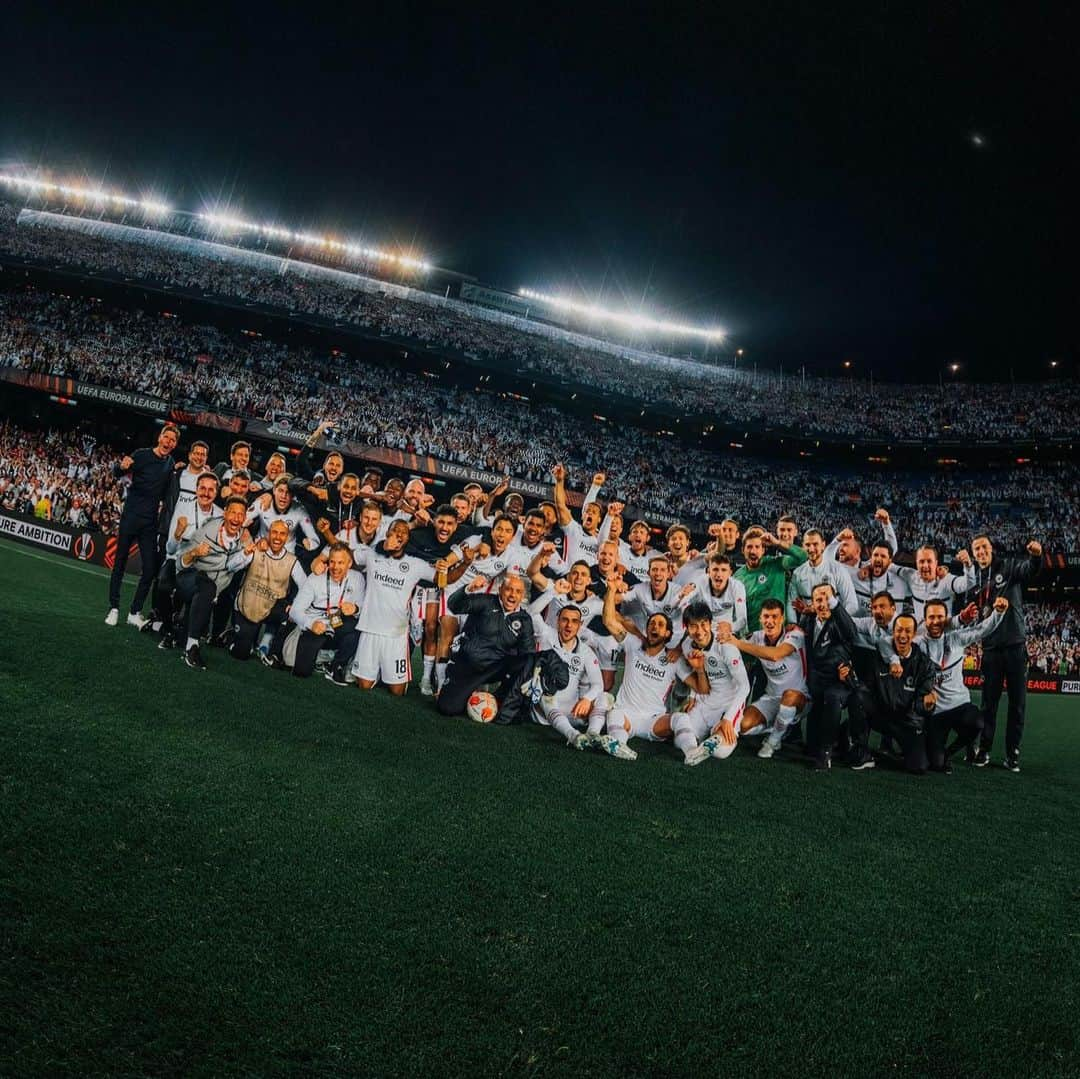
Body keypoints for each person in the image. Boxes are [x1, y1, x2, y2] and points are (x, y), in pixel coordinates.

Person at [968, 535, 1042, 771]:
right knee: (988, 704)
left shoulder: (1008, 567)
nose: (981, 552)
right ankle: (985, 750)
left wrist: (1036, 556)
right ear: (973, 553)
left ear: (991, 549)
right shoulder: (974, 579)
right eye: (977, 549)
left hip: (1015, 647)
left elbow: (1029, 570)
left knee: (1017, 704)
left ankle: (1013, 754)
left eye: (984, 547)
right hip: (990, 650)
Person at [592, 578, 682, 761]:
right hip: (626, 714)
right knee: (614, 714)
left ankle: (692, 752)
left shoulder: (674, 658)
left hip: (654, 720)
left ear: (668, 634)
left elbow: (700, 686)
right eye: (651, 624)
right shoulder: (633, 644)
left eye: (660, 625)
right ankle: (619, 746)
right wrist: (611, 590)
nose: (654, 627)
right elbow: (609, 621)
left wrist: (694, 698)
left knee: (681, 719)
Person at [915, 597, 1007, 773]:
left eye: (940, 617)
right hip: (935, 712)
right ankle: (940, 754)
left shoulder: (956, 638)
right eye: (931, 617)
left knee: (978, 723)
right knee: (935, 764)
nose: (936, 621)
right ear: (924, 620)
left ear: (946, 619)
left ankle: (952, 752)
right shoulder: (918, 645)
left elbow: (982, 629)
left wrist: (998, 613)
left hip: (960, 705)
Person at [350, 519, 439, 695]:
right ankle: (373, 670)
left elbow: (442, 579)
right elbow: (348, 556)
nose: (399, 533)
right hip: (370, 629)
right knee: (364, 687)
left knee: (397, 692)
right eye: (395, 530)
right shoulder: (372, 554)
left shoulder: (416, 563)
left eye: (403, 532)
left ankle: (386, 670)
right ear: (387, 533)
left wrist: (464, 563)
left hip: (396, 634)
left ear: (408, 538)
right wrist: (327, 533)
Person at [105, 423, 180, 628]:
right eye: (167, 437)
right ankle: (114, 608)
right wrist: (121, 466)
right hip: (130, 517)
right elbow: (117, 474)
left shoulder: (170, 463)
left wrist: (179, 470)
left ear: (175, 444)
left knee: (149, 569)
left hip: (149, 524)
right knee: (119, 563)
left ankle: (134, 612)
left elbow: (170, 490)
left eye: (173, 440)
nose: (168, 442)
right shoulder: (141, 455)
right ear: (160, 438)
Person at [845, 614, 938, 775]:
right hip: (881, 715)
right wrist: (849, 678)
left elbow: (920, 705)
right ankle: (860, 750)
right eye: (899, 630)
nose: (902, 635)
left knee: (919, 766)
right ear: (893, 632)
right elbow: (865, 688)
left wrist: (927, 705)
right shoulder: (879, 657)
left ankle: (893, 752)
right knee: (858, 697)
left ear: (915, 634)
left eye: (908, 631)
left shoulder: (925, 665)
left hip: (906, 721)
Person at [720, 598, 810, 759]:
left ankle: (773, 741)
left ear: (782, 619)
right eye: (766, 617)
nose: (770, 621)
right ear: (760, 619)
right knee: (743, 725)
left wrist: (738, 644)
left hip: (799, 697)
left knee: (789, 696)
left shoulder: (794, 634)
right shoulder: (756, 636)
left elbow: (775, 655)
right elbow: (731, 644)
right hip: (771, 698)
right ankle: (780, 727)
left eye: (775, 617)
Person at [436, 573, 537, 716]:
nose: (512, 595)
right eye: (508, 589)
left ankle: (501, 699)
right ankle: (464, 691)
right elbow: (453, 605)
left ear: (523, 596)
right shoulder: (486, 602)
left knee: (528, 662)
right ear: (500, 589)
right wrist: (468, 589)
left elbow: (529, 654)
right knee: (447, 708)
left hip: (494, 669)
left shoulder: (524, 620)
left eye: (518, 592)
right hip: (468, 665)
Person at [174, 496, 253, 670]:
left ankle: (180, 630)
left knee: (180, 637)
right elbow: (180, 562)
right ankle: (192, 647)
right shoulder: (207, 530)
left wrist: (246, 553)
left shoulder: (245, 540)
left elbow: (232, 567)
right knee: (207, 586)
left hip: (209, 592)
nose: (236, 518)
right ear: (225, 513)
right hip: (188, 579)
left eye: (241, 514)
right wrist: (195, 552)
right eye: (233, 512)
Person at [672, 602, 751, 766]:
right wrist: (693, 696)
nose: (699, 632)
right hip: (706, 700)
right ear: (686, 627)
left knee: (721, 752)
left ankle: (716, 734)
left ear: (710, 623)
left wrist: (729, 718)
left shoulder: (725, 645)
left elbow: (745, 686)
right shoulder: (687, 645)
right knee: (679, 739)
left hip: (729, 703)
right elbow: (696, 670)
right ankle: (695, 750)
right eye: (693, 626)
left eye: (703, 625)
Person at [798, 581, 861, 771]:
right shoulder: (808, 620)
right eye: (818, 599)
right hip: (817, 680)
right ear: (813, 603)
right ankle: (837, 738)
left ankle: (826, 753)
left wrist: (833, 604)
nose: (823, 603)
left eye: (827, 598)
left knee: (831, 698)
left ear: (834, 601)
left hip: (839, 681)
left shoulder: (840, 621)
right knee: (810, 746)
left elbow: (852, 633)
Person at [158, 470, 222, 649]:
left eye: (211, 490)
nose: (206, 493)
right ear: (196, 489)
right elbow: (170, 549)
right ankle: (169, 627)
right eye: (202, 488)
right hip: (178, 562)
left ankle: (182, 629)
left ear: (216, 493)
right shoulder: (182, 511)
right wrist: (178, 534)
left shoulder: (220, 515)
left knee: (183, 638)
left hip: (201, 569)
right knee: (162, 585)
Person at [531, 604, 607, 749]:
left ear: (580, 625)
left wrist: (586, 699)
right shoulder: (545, 636)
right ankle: (574, 736)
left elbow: (598, 684)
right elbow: (532, 612)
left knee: (605, 697)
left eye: (574, 621)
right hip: (545, 712)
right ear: (557, 621)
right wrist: (552, 590)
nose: (569, 626)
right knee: (546, 695)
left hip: (572, 712)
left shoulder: (586, 652)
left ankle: (592, 734)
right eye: (564, 620)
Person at [231, 519, 307, 661]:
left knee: (292, 613)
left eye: (282, 534)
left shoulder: (292, 560)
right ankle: (237, 636)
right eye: (274, 533)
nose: (278, 537)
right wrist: (245, 553)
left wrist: (296, 605)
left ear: (288, 537)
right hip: (249, 604)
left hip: (272, 606)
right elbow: (230, 567)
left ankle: (269, 647)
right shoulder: (256, 549)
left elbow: (306, 587)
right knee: (241, 654)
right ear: (268, 534)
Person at [286, 543, 363, 682]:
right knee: (301, 671)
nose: (335, 567)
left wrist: (355, 609)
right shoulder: (315, 578)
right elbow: (295, 610)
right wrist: (311, 624)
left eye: (341, 563)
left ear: (349, 563)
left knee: (356, 628)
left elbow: (362, 608)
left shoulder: (357, 578)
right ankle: (322, 655)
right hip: (316, 626)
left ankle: (336, 665)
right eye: (332, 561)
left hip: (336, 622)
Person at [734, 528, 808, 634]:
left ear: (763, 550)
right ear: (743, 550)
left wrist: (777, 543)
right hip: (752, 636)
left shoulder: (776, 564)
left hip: (777, 634)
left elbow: (802, 557)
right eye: (749, 547)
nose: (753, 551)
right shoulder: (737, 576)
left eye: (757, 547)